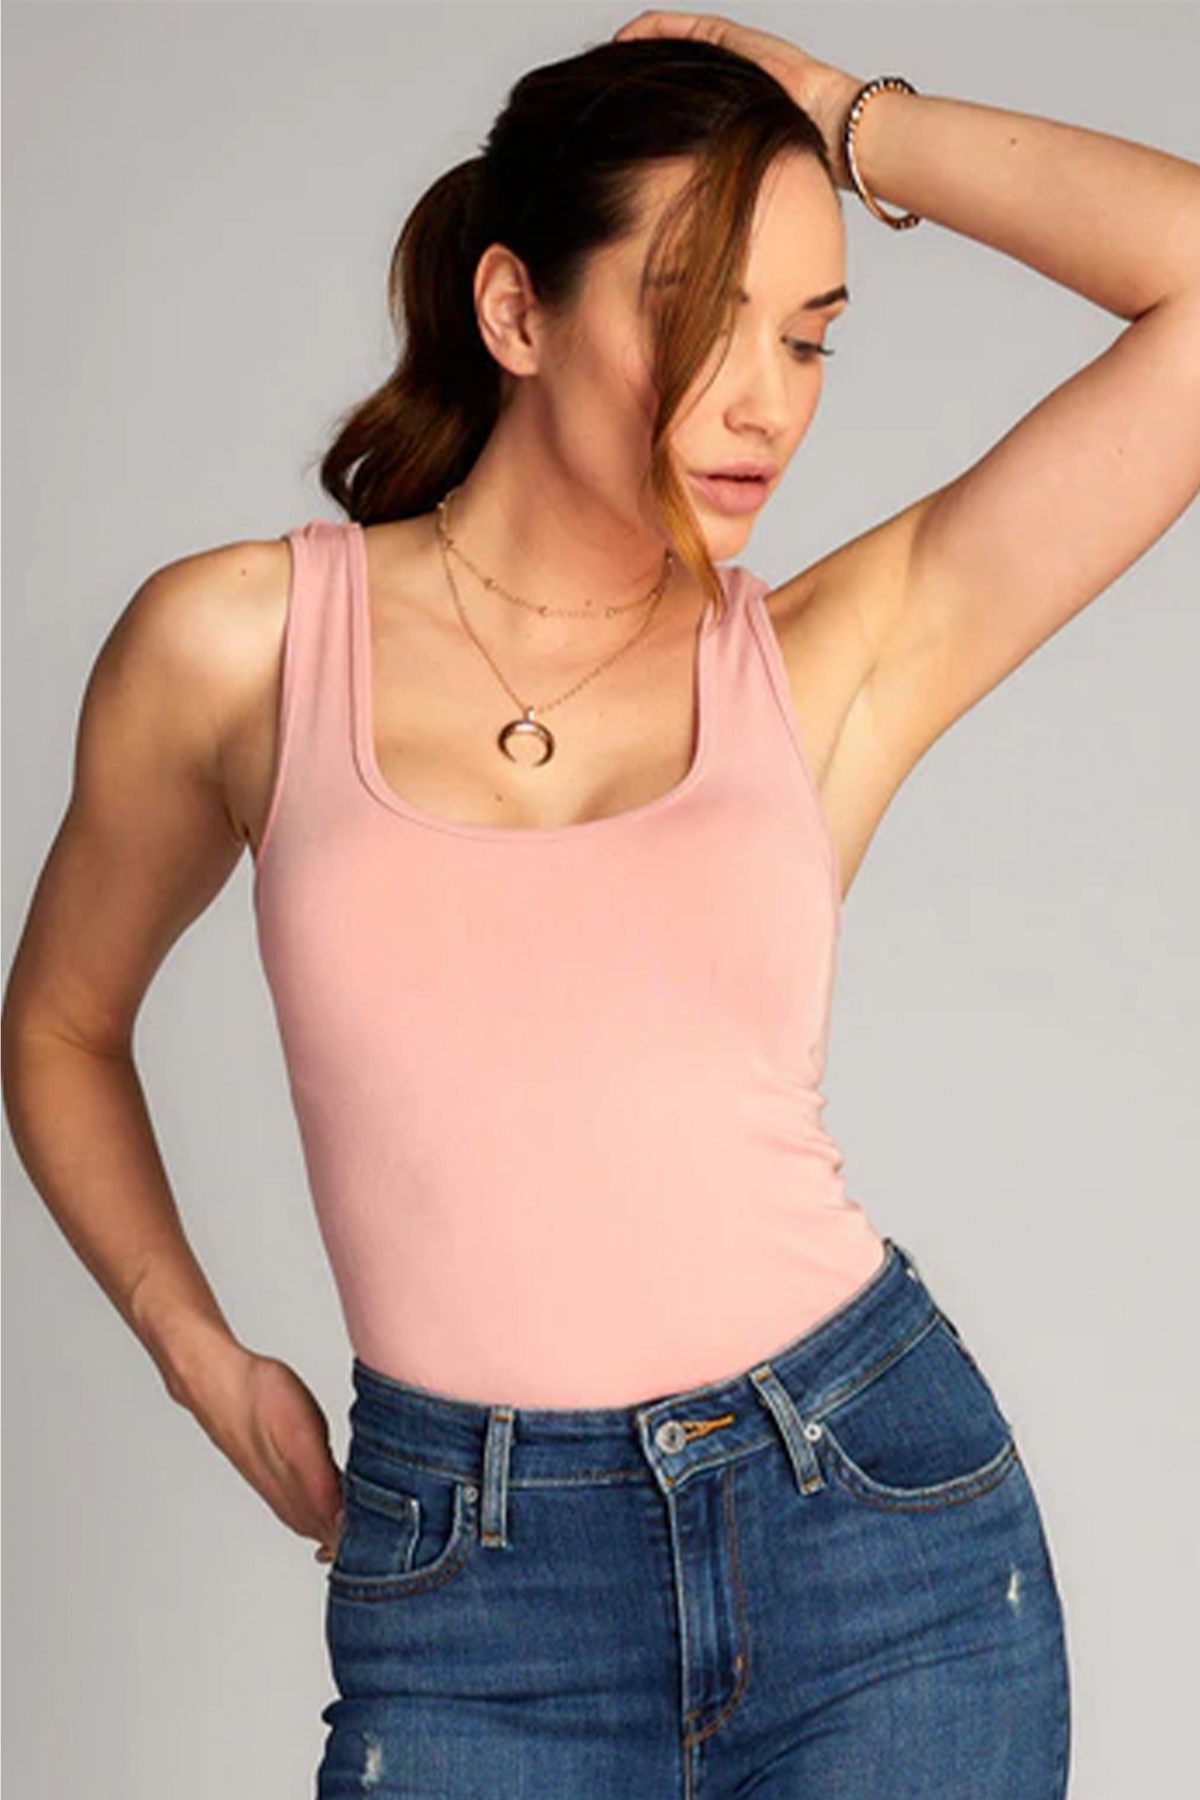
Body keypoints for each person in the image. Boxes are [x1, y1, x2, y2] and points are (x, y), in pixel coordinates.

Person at [3, 10, 1198, 1795]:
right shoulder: (239, 647)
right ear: (515, 310)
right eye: (700, 316)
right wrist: (194, 1349)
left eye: (808, 336)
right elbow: (60, 1023)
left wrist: (839, 118)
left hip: (876, 1545)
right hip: (475, 1601)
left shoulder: (826, 661)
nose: (765, 402)